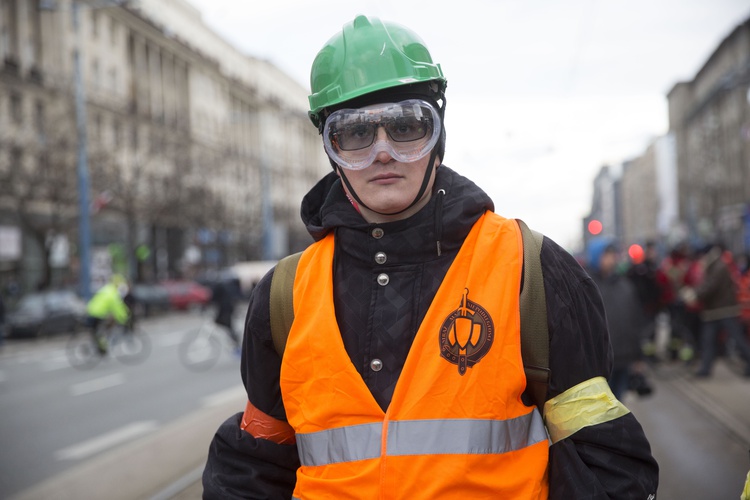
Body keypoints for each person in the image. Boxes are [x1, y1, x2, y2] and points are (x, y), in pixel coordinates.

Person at [203, 15, 658, 499]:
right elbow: (254, 462)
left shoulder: (531, 269)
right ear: (331, 149)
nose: (382, 152)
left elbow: (603, 461)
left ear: (437, 133)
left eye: (405, 126)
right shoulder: (284, 295)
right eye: (354, 134)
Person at [588, 240, 649, 400]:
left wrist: (638, 357)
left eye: (612, 255)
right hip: (599, 364)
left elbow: (635, 321)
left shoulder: (625, 285)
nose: (611, 259)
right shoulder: (586, 286)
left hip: (624, 358)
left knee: (619, 406)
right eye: (606, 255)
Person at [685, 243, 750, 377]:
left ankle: (706, 369)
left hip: (724, 310)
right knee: (708, 341)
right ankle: (705, 369)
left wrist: (694, 294)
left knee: (737, 339)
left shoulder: (718, 267)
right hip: (713, 311)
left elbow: (710, 286)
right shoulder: (714, 265)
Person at [85, 274, 131, 354]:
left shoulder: (106, 289)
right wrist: (124, 318)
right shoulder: (113, 293)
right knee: (103, 329)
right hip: (98, 313)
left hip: (91, 311)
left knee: (99, 329)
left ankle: (100, 346)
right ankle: (102, 347)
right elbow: (117, 308)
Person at [210, 274, 242, 352]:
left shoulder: (218, 286)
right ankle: (234, 339)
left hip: (225, 309)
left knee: (227, 325)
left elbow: (213, 298)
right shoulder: (226, 285)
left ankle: (235, 341)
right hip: (227, 308)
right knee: (226, 325)